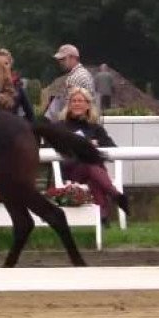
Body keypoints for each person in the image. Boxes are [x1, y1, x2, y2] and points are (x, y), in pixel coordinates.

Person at [55, 86, 129, 226]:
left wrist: (97, 143)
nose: (77, 104)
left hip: (92, 172)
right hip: (71, 170)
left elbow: (113, 149)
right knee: (91, 164)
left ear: (88, 105)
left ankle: (102, 218)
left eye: (80, 101)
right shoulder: (60, 126)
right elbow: (48, 147)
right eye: (74, 101)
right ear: (69, 104)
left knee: (92, 172)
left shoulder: (95, 128)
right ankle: (113, 194)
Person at [43, 44, 95, 121]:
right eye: (59, 60)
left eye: (63, 59)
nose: (60, 62)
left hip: (77, 123)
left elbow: (68, 107)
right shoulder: (81, 73)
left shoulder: (76, 77)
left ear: (73, 58)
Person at [0, 48, 34, 122]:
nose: (3, 67)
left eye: (6, 63)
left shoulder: (18, 86)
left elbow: (30, 113)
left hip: (13, 127)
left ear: (10, 64)